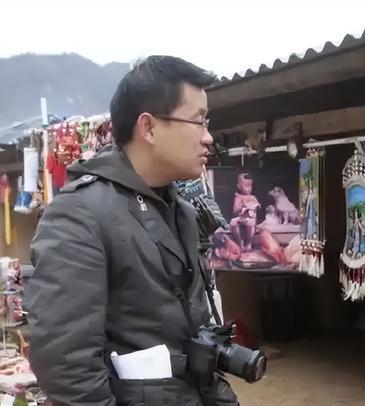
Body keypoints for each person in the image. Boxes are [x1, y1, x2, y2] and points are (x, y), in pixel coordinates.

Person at [25, 56, 239, 405]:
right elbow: (65, 365)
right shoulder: (80, 213)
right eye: (198, 121)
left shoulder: (181, 210)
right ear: (149, 127)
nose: (208, 138)